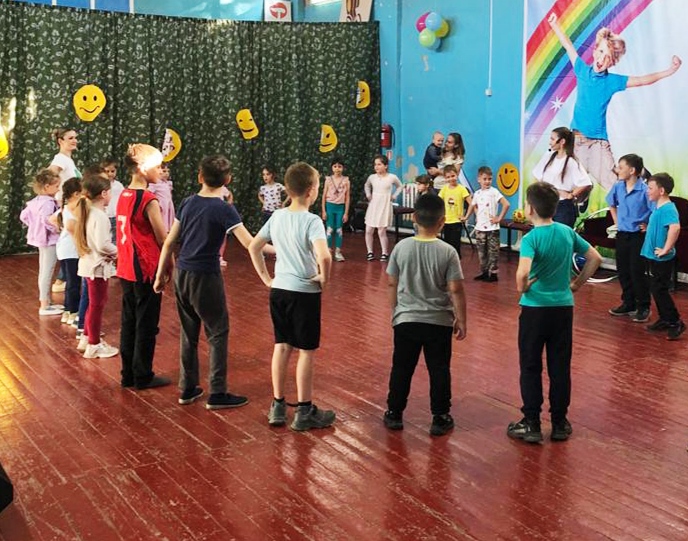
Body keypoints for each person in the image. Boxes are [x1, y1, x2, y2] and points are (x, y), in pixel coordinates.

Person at [154, 155, 253, 410]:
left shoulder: (188, 202)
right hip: (206, 276)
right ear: (228, 179)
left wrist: (160, 274)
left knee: (189, 332)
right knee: (218, 331)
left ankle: (188, 388)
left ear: (200, 177)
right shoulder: (224, 209)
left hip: (182, 273)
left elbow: (169, 241)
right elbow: (250, 244)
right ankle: (217, 392)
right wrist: (283, 249)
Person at [507, 182, 601, 443]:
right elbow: (594, 258)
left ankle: (532, 423)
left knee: (530, 365)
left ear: (530, 209)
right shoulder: (566, 232)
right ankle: (559, 422)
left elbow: (522, 274)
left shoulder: (531, 239)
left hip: (535, 310)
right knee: (560, 366)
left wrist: (522, 287)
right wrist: (577, 284)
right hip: (562, 308)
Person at [548, 12, 682, 191]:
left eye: (609, 57)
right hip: (577, 141)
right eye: (601, 52)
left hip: (598, 143)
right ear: (594, 51)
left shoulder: (612, 81)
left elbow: (642, 80)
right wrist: (555, 25)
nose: (602, 59)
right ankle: (581, 198)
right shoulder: (581, 70)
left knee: (614, 186)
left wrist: (670, 70)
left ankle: (639, 174)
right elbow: (568, 45)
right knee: (570, 183)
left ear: (612, 64)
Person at [248, 162, 335, 432]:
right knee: (306, 350)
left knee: (282, 346)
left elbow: (254, 246)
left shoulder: (277, 216)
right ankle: (304, 410)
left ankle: (277, 405)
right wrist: (324, 279)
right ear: (311, 191)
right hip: (304, 293)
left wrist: (267, 279)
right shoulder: (312, 221)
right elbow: (324, 256)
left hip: (280, 290)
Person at [383, 193, 467, 436]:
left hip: (406, 319)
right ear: (442, 221)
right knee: (439, 368)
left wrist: (395, 310)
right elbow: (456, 289)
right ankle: (440, 416)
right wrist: (461, 319)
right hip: (439, 322)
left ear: (414, 218)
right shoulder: (448, 252)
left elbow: (391, 283)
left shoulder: (401, 247)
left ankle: (394, 413)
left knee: (401, 367)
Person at [116, 144, 170, 390]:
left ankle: (127, 374)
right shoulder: (148, 199)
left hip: (126, 267)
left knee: (129, 322)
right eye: (157, 166)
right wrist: (169, 263)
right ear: (142, 168)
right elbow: (161, 237)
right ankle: (143, 375)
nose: (160, 170)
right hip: (145, 268)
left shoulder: (123, 194)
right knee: (146, 324)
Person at [74, 172, 119, 359]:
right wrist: (119, 252)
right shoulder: (99, 216)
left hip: (89, 264)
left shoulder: (90, 213)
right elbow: (102, 245)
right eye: (110, 192)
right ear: (103, 193)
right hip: (96, 268)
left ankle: (86, 337)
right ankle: (94, 344)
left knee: (93, 304)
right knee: (97, 305)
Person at [606, 153, 652, 322]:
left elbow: (656, 211)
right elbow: (611, 203)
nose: (617, 170)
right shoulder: (618, 187)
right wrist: (617, 222)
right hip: (622, 234)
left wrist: (648, 226)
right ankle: (628, 303)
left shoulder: (645, 191)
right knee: (623, 270)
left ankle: (644, 306)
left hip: (638, 236)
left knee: (637, 271)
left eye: (621, 167)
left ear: (632, 170)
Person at [641, 173, 685, 340]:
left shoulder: (668, 208)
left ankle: (675, 321)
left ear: (661, 191)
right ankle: (665, 319)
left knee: (660, 290)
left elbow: (675, 228)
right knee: (655, 288)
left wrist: (666, 248)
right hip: (654, 256)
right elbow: (661, 226)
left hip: (662, 258)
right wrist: (648, 228)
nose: (647, 191)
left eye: (650, 188)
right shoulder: (658, 208)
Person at [19, 168, 63, 316]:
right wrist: (58, 228)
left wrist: (34, 227)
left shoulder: (35, 201)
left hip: (41, 240)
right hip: (49, 240)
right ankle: (44, 305)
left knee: (44, 270)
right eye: (56, 186)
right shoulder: (48, 203)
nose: (58, 189)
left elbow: (24, 216)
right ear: (47, 186)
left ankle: (47, 301)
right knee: (47, 272)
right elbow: (48, 220)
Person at [532, 127, 592, 227]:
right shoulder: (548, 156)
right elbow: (537, 175)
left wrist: (571, 195)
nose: (550, 142)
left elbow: (585, 183)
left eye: (552, 139)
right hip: (545, 204)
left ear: (562, 141)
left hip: (562, 207)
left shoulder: (571, 161)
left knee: (560, 234)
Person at [462, 166, 510, 281]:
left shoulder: (494, 192)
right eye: (485, 179)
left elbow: (506, 204)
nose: (487, 181)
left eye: (489, 179)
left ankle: (493, 274)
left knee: (493, 252)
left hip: (492, 228)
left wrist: (499, 218)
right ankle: (484, 271)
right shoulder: (477, 194)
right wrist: (466, 217)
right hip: (480, 228)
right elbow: (472, 205)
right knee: (481, 252)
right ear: (479, 179)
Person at [49, 127, 81, 293]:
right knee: (70, 241)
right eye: (70, 138)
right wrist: (59, 195)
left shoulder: (68, 160)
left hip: (72, 204)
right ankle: (62, 279)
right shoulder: (60, 159)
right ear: (60, 141)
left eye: (75, 137)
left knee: (71, 241)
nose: (74, 141)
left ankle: (64, 278)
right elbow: (51, 173)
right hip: (67, 205)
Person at [364, 155, 403, 262]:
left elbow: (400, 186)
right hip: (374, 205)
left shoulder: (392, 177)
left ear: (385, 166)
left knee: (381, 231)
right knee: (369, 230)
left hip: (385, 205)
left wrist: (394, 196)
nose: (376, 167)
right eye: (375, 164)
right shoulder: (372, 177)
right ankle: (370, 252)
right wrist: (368, 195)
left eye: (379, 164)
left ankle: (385, 253)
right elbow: (367, 185)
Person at [55, 178, 83, 325]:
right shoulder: (73, 208)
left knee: (71, 282)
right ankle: (73, 311)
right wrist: (81, 249)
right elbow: (72, 230)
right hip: (71, 250)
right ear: (76, 193)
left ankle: (67, 309)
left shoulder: (68, 207)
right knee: (74, 282)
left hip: (66, 249)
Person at [437, 164, 471, 258]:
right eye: (448, 177)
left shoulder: (462, 189)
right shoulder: (444, 189)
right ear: (445, 178)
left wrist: (466, 216)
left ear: (457, 174)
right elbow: (438, 202)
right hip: (446, 221)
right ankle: (448, 261)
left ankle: (456, 261)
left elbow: (471, 203)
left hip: (457, 222)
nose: (451, 179)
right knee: (447, 244)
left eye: (453, 176)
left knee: (455, 245)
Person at [321, 156, 350, 262]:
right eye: (335, 166)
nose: (337, 169)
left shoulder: (346, 180)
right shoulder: (328, 180)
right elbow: (324, 196)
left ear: (343, 168)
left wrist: (346, 213)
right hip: (330, 206)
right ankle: (328, 251)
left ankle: (338, 252)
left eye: (339, 166)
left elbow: (347, 197)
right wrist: (324, 210)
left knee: (339, 230)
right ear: (332, 168)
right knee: (329, 229)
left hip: (340, 208)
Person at [103, 157, 125, 244]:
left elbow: (122, 198)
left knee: (116, 238)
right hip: (105, 215)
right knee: (106, 237)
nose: (110, 174)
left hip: (116, 215)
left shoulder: (118, 185)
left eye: (112, 171)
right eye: (107, 171)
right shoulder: (101, 185)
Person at [148, 162, 175, 232]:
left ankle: (168, 231)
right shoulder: (155, 183)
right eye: (164, 171)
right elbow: (148, 193)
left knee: (169, 219)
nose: (167, 173)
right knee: (163, 219)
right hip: (161, 205)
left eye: (168, 171)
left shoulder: (167, 183)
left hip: (168, 205)